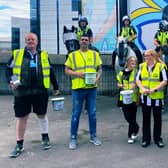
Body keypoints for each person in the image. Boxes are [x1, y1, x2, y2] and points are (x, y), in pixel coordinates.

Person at [6, 32, 60, 158]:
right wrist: (11, 80)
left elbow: (50, 72)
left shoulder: (44, 55)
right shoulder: (17, 54)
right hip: (22, 92)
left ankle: (45, 137)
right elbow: (8, 70)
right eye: (28, 39)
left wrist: (56, 86)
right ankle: (19, 144)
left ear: (37, 41)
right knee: (22, 117)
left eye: (33, 39)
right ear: (25, 42)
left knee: (42, 115)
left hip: (40, 91)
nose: (30, 41)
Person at [64, 34, 102, 149]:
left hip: (91, 88)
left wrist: (97, 78)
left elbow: (100, 69)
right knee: (76, 114)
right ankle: (73, 138)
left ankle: (93, 136)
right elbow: (66, 70)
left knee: (92, 113)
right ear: (79, 42)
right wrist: (77, 74)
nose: (84, 41)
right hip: (78, 88)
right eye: (82, 40)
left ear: (89, 42)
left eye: (86, 40)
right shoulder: (72, 55)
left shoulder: (95, 54)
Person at [136, 49, 167, 148]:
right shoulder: (142, 66)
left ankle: (158, 138)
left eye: (147, 56)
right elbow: (138, 80)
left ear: (152, 56)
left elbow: (165, 81)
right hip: (145, 98)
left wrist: (154, 89)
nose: (145, 58)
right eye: (144, 56)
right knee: (146, 119)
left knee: (157, 119)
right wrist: (142, 88)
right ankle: (146, 139)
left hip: (157, 97)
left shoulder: (161, 67)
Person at [116, 56, 139, 144]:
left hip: (133, 98)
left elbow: (139, 84)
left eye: (135, 62)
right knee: (127, 117)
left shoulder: (137, 72)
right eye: (132, 61)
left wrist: (138, 98)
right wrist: (122, 86)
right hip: (124, 98)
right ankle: (136, 127)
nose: (134, 63)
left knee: (132, 117)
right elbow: (118, 84)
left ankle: (130, 136)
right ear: (128, 62)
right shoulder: (121, 73)